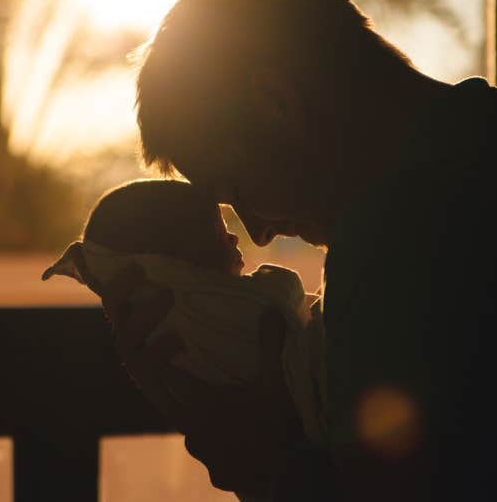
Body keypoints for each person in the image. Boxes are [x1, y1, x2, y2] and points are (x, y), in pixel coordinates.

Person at [98, 0, 497, 501]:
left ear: (276, 103)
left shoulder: (396, 240)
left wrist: (247, 448)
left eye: (236, 187)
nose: (258, 234)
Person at [41, 179, 327, 486]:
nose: (240, 236)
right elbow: (286, 297)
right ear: (174, 263)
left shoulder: (162, 336)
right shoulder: (216, 309)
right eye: (218, 232)